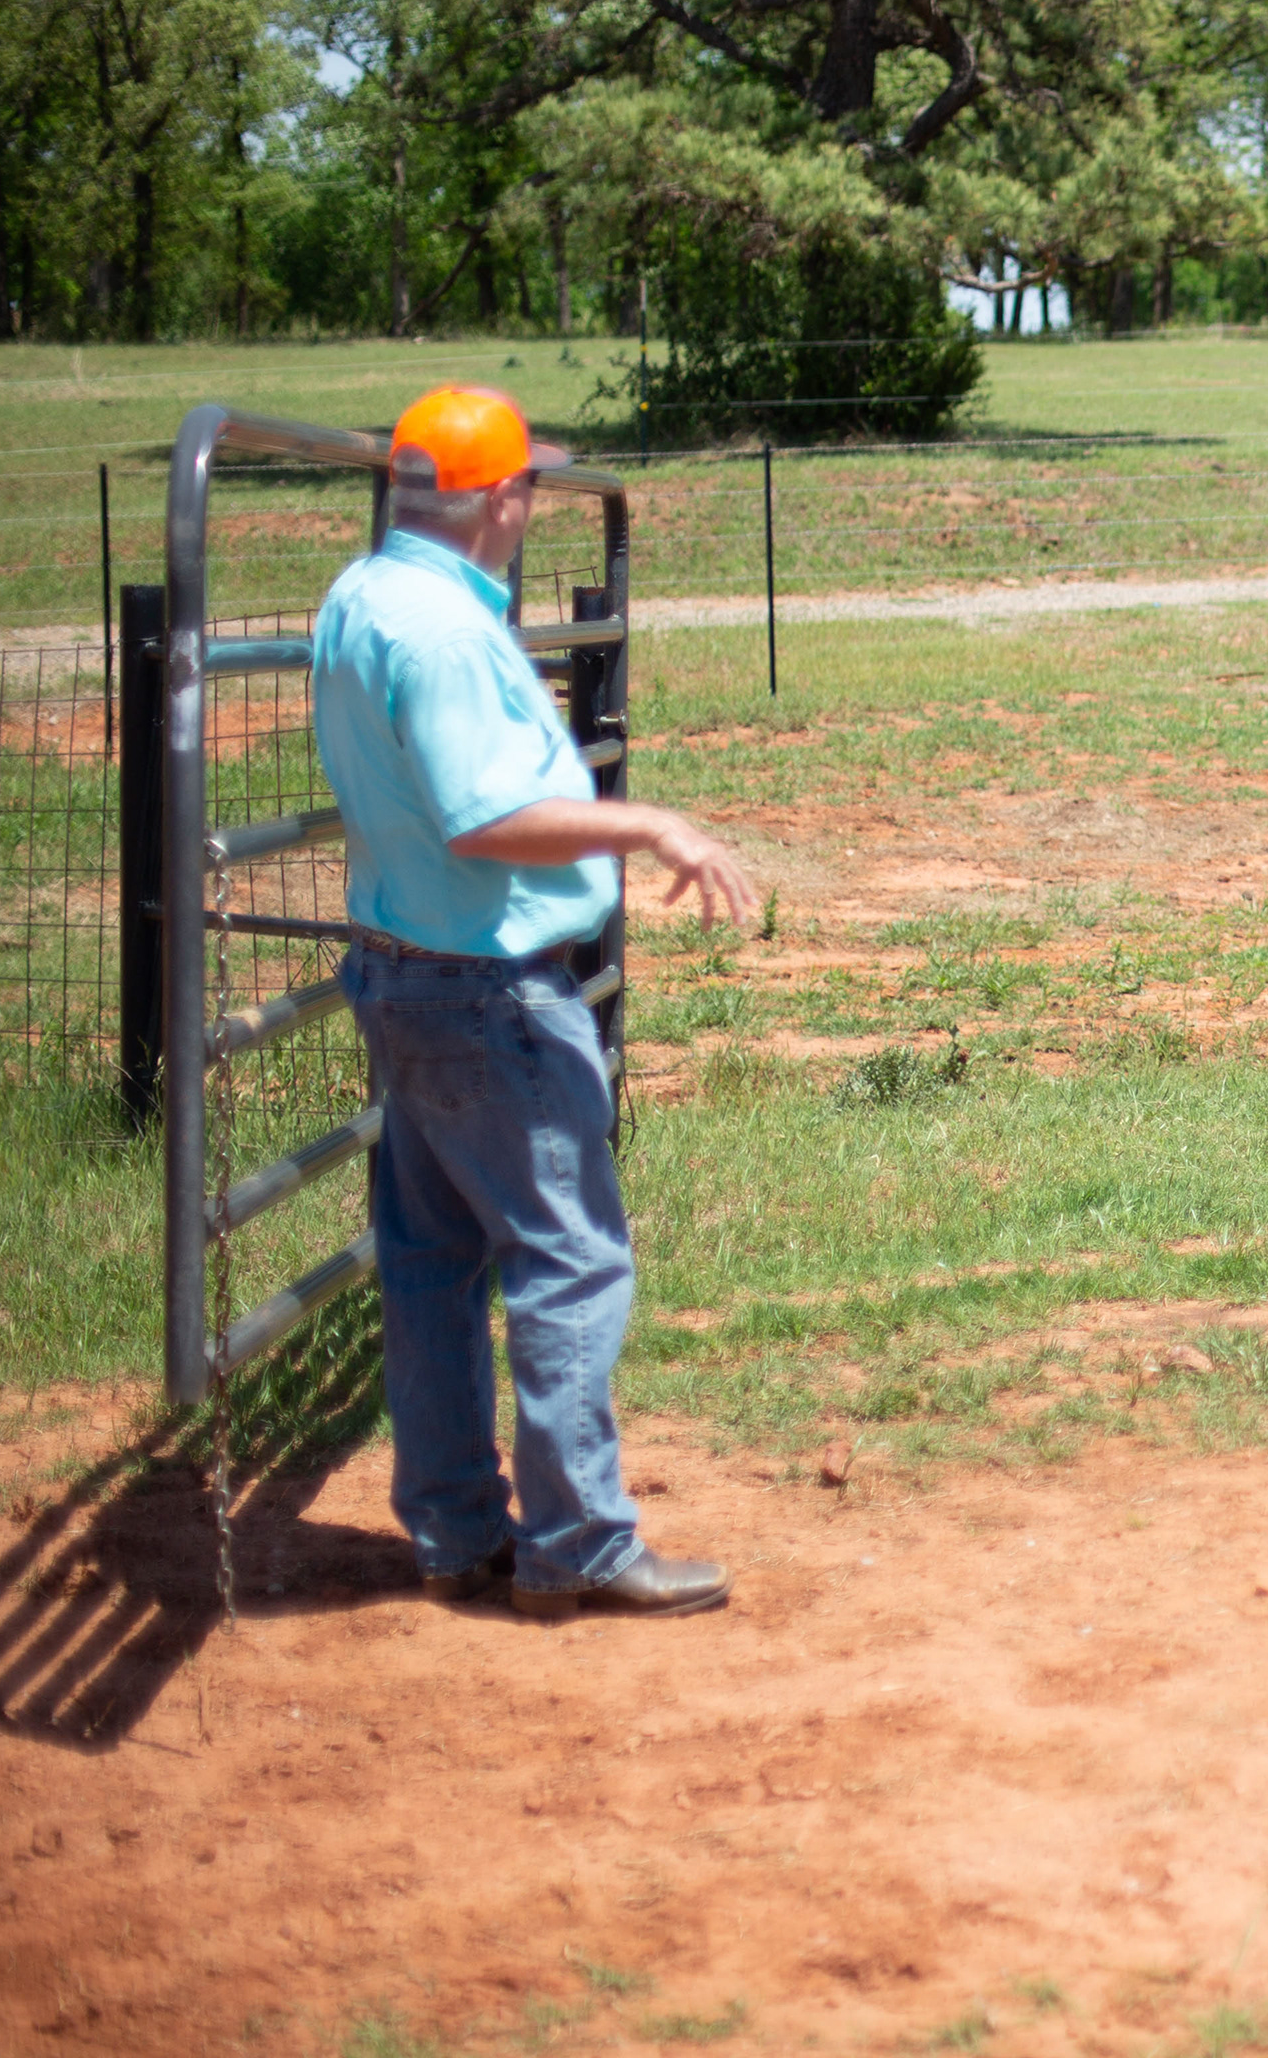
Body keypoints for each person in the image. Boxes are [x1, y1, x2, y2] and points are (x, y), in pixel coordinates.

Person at [311, 385, 756, 1622]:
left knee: (430, 1258)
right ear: (501, 500)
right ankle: (576, 1543)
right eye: (528, 490)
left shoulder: (361, 595)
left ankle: (456, 1531)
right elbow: (486, 817)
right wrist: (649, 824)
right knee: (568, 1259)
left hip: (403, 966)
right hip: (486, 985)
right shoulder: (447, 638)